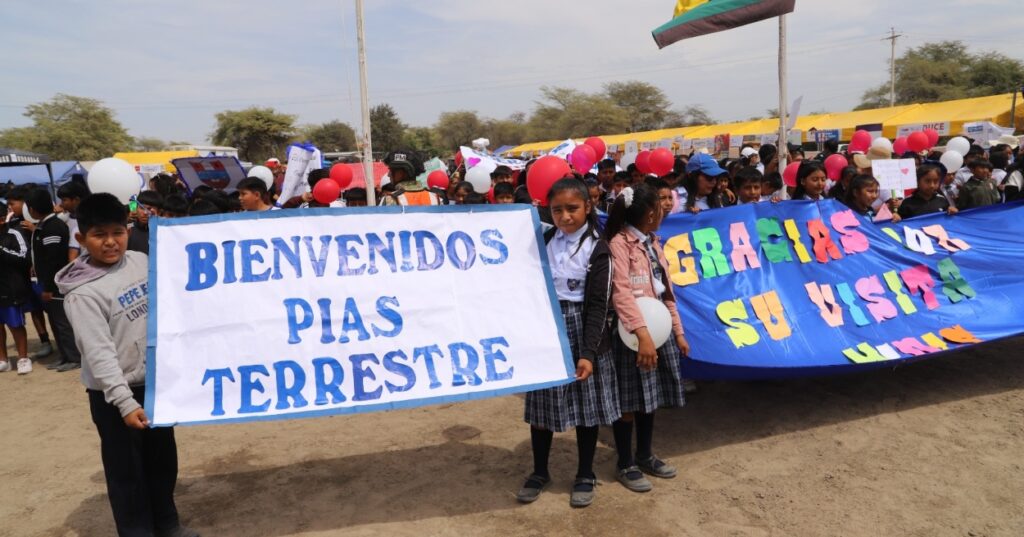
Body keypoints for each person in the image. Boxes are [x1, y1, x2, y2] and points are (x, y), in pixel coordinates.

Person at [57, 193, 200, 537]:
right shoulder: (82, 294)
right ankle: (137, 531)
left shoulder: (139, 259)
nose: (110, 242)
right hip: (114, 396)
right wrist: (124, 402)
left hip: (154, 386)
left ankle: (167, 524)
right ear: (81, 238)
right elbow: (99, 354)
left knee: (162, 462)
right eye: (99, 235)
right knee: (127, 473)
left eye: (117, 232)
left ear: (128, 230)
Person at [517, 178, 619, 508]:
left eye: (572, 208)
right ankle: (539, 471)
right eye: (557, 210)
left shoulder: (598, 249)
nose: (564, 216)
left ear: (588, 206)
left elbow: (599, 305)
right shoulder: (545, 239)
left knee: (587, 407)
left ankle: (585, 473)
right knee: (542, 403)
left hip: (584, 329)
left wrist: (588, 353)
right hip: (548, 327)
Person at [604, 183, 689, 493]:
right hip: (631, 335)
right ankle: (625, 462)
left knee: (648, 399)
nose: (666, 209)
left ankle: (645, 454)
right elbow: (621, 293)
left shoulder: (653, 243)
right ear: (651, 213)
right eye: (660, 205)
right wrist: (642, 335)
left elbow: (666, 291)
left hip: (657, 332)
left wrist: (677, 331)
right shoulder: (619, 244)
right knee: (628, 401)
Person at [27, 189, 80, 372]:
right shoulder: (45, 225)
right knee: (55, 321)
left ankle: (73, 357)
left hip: (56, 284)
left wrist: (49, 287)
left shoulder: (52, 227)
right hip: (48, 282)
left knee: (62, 322)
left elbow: (53, 259)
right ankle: (64, 355)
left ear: (32, 209)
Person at [6, 186, 52, 360]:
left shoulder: (41, 219)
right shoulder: (12, 223)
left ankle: (65, 340)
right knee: (34, 308)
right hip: (25, 275)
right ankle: (45, 341)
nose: (10, 207)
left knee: (51, 308)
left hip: (44, 273)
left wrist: (35, 229)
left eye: (13, 203)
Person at [0, 215, 31, 373]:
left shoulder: (14, 234)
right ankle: (3, 360)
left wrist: (1, 251)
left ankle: (23, 359)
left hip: (10, 288)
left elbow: (25, 258)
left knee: (15, 324)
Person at [57, 179, 91, 263]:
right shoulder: (63, 218)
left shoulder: (91, 219)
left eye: (64, 200)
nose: (61, 204)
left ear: (76, 200)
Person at [128, 191, 163, 255]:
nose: (145, 213)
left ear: (159, 212)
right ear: (136, 208)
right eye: (141, 208)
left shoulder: (163, 232)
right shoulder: (128, 230)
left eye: (149, 209)